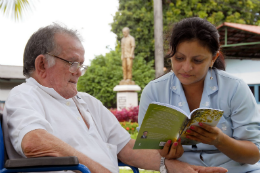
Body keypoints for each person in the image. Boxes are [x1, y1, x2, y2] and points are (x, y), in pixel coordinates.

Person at [3, 23, 228, 173]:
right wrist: (97, 170)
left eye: (81, 64)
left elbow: (127, 147)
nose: (79, 71)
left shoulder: (87, 101)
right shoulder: (26, 95)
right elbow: (34, 142)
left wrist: (177, 167)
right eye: (72, 63)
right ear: (42, 64)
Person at [138, 17, 260, 173]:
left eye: (197, 60)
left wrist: (220, 140)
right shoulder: (154, 91)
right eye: (179, 58)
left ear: (213, 59)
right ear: (170, 54)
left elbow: (254, 155)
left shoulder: (235, 88)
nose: (186, 68)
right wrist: (167, 154)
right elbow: (146, 150)